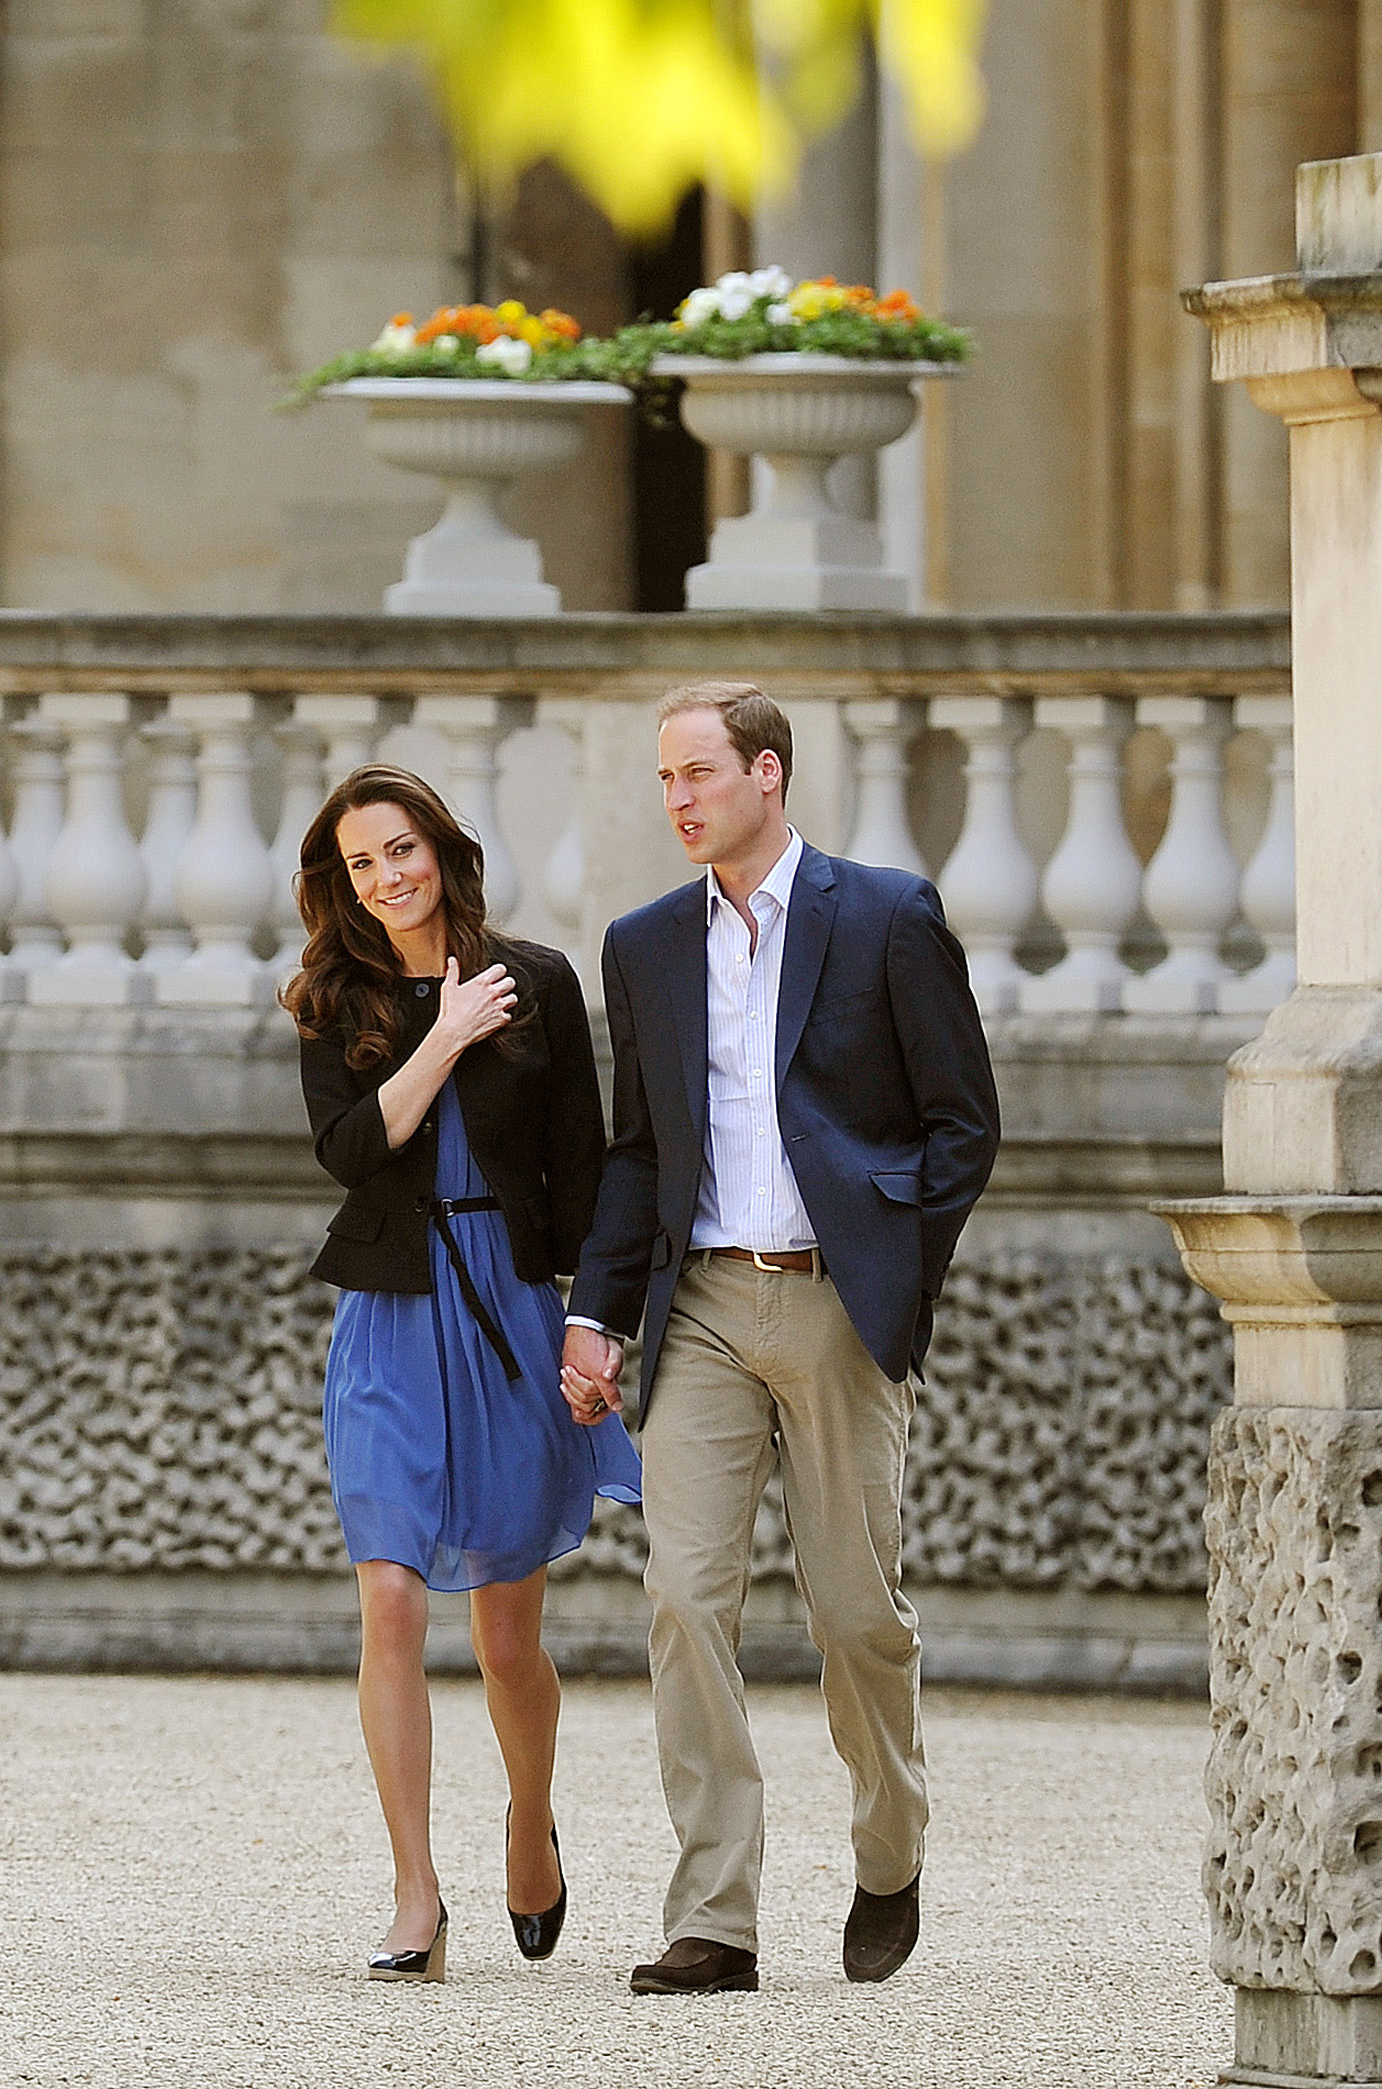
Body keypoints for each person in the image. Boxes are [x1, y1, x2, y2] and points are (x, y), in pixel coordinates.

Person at [559, 682, 1000, 1996]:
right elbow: (639, 1150)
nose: (680, 799)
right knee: (685, 1601)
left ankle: (889, 1844)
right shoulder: (643, 947)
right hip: (699, 1306)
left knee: (854, 1611)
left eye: (699, 773)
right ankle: (717, 1913)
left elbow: (961, 1123)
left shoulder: (884, 917)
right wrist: (600, 1315)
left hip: (837, 1304)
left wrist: (892, 1269)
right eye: (666, 780)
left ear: (768, 773)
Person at [285, 762, 642, 1985]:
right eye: (361, 863)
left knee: (505, 1635)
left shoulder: (536, 982)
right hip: (389, 1316)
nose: (386, 878)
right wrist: (440, 1032)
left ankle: (530, 1819)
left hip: (505, 1305)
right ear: (340, 883)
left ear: (442, 848)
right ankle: (414, 1896)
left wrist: (594, 1324)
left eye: (402, 850)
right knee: (388, 1593)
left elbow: (587, 1175)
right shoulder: (334, 998)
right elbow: (349, 1149)